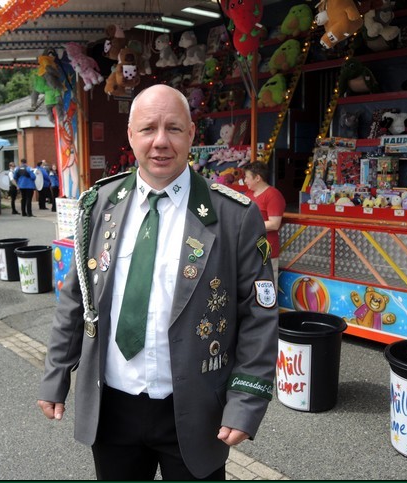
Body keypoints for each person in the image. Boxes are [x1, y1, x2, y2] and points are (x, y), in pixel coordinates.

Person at [37, 84, 279, 481]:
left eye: (174, 128)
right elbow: (76, 299)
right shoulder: (98, 205)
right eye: (149, 128)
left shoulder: (233, 216)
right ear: (131, 135)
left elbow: (259, 316)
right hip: (112, 408)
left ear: (191, 134)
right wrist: (55, 375)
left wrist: (246, 401)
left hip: (198, 411)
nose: (161, 141)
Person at [243, 162, 286, 287]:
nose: (245, 181)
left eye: (247, 177)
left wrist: (249, 226)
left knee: (267, 286)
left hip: (266, 249)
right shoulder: (248, 194)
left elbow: (274, 224)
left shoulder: (273, 195)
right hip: (248, 248)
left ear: (257, 178)